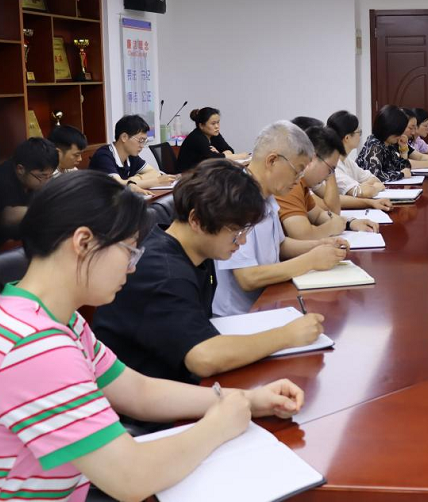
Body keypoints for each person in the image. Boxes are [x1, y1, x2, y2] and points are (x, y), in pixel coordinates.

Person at [0, 171, 305, 502]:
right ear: (83, 242)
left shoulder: (53, 318)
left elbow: (138, 391)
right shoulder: (33, 345)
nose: (132, 267)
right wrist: (218, 425)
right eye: (129, 251)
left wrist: (249, 399)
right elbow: (131, 478)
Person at [93, 159, 325, 385]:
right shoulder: (163, 271)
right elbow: (204, 358)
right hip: (150, 399)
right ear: (196, 220)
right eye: (235, 231)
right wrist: (287, 336)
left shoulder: (194, 254)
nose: (242, 241)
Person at [212, 121, 349, 317]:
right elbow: (247, 278)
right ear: (272, 161)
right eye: (297, 170)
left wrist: (320, 244)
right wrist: (310, 261)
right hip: (241, 317)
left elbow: (280, 246)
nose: (299, 178)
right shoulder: (235, 197)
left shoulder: (267, 194)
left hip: (270, 301)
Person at [278, 125, 378, 239]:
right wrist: (330, 228)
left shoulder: (303, 185)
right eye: (330, 169)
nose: (328, 176)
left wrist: (350, 223)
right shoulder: (290, 183)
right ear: (312, 158)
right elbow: (302, 235)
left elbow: (318, 215)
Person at [0, 137, 58, 247]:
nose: (47, 181)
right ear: (20, 169)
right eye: (42, 176)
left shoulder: (34, 178)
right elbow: (7, 217)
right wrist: (46, 208)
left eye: (50, 176)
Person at [88, 114, 176, 195]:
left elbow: (154, 173)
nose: (142, 146)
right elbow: (118, 185)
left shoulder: (131, 156)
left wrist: (131, 180)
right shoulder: (103, 156)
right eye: (140, 140)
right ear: (124, 137)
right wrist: (157, 182)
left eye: (144, 141)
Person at [326, 110, 393, 211]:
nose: (360, 136)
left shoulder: (347, 161)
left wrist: (363, 186)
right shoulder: (333, 164)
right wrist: (373, 187)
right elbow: (365, 192)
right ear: (347, 138)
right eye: (359, 132)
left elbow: (374, 178)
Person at [176, 106, 249, 172]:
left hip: (203, 173)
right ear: (201, 125)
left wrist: (220, 155)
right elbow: (211, 158)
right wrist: (238, 156)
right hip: (187, 175)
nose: (217, 126)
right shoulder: (197, 137)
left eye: (218, 122)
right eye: (213, 123)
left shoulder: (214, 134)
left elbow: (229, 149)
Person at [357, 105, 415, 182]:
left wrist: (404, 149)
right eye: (399, 131)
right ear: (390, 129)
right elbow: (374, 176)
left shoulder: (388, 144)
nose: (401, 135)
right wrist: (401, 174)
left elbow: (403, 165)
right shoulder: (375, 145)